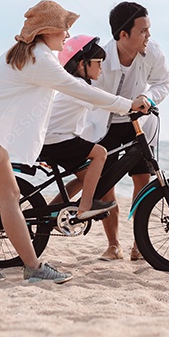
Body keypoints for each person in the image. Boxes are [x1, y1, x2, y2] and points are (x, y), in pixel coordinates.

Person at [0, 0, 149, 284]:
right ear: (48, 31)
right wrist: (128, 105)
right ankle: (34, 268)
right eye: (64, 28)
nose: (66, 35)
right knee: (9, 197)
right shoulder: (40, 59)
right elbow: (78, 89)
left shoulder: (25, 53)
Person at [81, 1, 169, 261]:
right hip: (104, 125)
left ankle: (138, 244)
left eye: (149, 29)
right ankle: (113, 245)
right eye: (143, 31)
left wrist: (147, 97)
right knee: (105, 184)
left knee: (142, 181)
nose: (148, 35)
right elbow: (88, 93)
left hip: (139, 124)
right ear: (123, 35)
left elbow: (163, 83)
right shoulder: (102, 57)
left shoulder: (152, 51)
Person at [40, 35, 117, 222]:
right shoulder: (78, 87)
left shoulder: (75, 86)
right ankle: (86, 206)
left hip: (53, 140)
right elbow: (102, 100)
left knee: (85, 177)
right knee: (100, 153)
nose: (101, 68)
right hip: (57, 140)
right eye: (98, 62)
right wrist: (131, 106)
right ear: (82, 63)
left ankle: (49, 213)